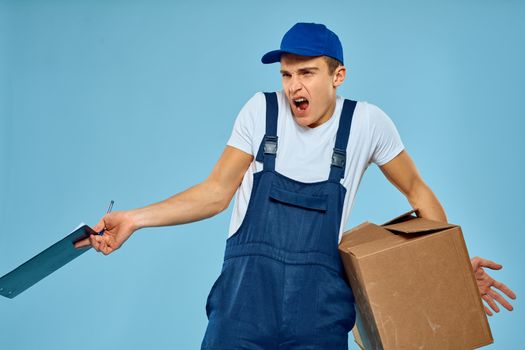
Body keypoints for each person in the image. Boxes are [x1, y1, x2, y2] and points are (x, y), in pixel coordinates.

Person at [75, 22, 516, 349]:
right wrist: (134, 218)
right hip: (242, 309)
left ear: (337, 76)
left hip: (318, 317)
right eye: (286, 75)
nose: (293, 87)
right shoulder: (259, 113)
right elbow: (215, 192)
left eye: (306, 73)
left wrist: (449, 270)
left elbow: (417, 191)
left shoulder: (366, 123)